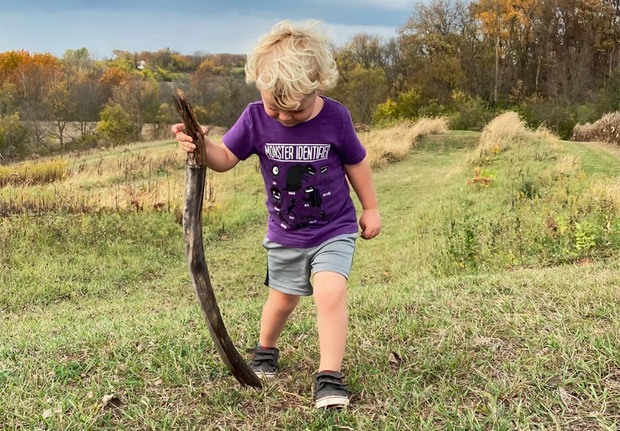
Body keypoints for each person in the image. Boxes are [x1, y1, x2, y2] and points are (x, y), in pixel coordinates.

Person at [172, 20, 381, 409]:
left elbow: (357, 163)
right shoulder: (254, 118)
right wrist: (200, 143)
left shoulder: (336, 118)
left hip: (334, 229)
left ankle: (329, 377)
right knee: (282, 300)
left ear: (318, 84)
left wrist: (369, 207)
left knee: (330, 293)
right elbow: (224, 159)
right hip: (285, 234)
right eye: (274, 107)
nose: (283, 118)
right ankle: (266, 349)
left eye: (295, 110)